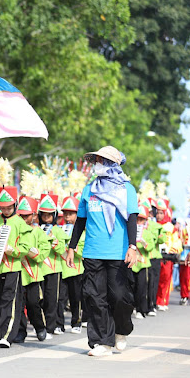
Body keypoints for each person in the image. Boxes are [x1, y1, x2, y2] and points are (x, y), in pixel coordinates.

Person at [66, 146, 138, 357]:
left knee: (120, 297)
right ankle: (102, 343)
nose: (97, 164)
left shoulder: (127, 189)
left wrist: (133, 247)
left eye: (101, 160)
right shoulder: (90, 189)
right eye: (96, 160)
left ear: (112, 164)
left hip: (118, 252)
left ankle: (121, 330)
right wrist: (72, 247)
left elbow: (132, 218)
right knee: (95, 297)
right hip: (92, 252)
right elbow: (80, 220)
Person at [0, 185, 32, 348]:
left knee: (8, 301)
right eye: (2, 208)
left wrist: (10, 249)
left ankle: (7, 335)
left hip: (12, 267)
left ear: (15, 205)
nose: (5, 210)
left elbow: (26, 248)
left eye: (9, 207)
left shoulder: (20, 223)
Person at [14, 196, 50, 343]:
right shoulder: (14, 229)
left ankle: (40, 327)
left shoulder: (38, 232)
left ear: (34, 215)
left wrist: (30, 252)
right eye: (20, 215)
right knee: (19, 304)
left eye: (26, 216)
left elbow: (44, 251)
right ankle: (21, 331)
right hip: (17, 272)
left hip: (33, 273)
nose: (23, 218)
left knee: (33, 303)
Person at [37, 194, 69, 336]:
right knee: (39, 299)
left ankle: (50, 327)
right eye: (44, 214)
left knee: (52, 300)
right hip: (38, 269)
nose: (46, 216)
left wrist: (55, 243)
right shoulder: (36, 229)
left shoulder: (58, 230)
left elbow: (63, 250)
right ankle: (40, 325)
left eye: (50, 214)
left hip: (53, 269)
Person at [58, 196, 85, 334]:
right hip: (61, 268)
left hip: (76, 269)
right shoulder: (59, 229)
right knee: (61, 297)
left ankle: (76, 322)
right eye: (66, 214)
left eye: (71, 214)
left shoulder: (83, 232)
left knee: (76, 298)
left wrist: (72, 248)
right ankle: (59, 324)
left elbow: (83, 250)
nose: (67, 217)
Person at [155, 199, 182, 310]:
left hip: (167, 257)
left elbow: (177, 241)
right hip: (156, 256)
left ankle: (163, 301)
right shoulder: (152, 225)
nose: (158, 215)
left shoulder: (171, 227)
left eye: (161, 213)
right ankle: (154, 301)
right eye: (157, 212)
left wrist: (172, 250)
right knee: (155, 280)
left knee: (165, 280)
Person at [129, 205, 154, 318]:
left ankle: (141, 310)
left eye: (141, 220)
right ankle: (131, 308)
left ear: (145, 221)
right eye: (137, 219)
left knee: (142, 288)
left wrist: (144, 243)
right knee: (130, 287)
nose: (139, 222)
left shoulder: (147, 233)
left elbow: (151, 248)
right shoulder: (130, 231)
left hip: (143, 264)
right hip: (132, 263)